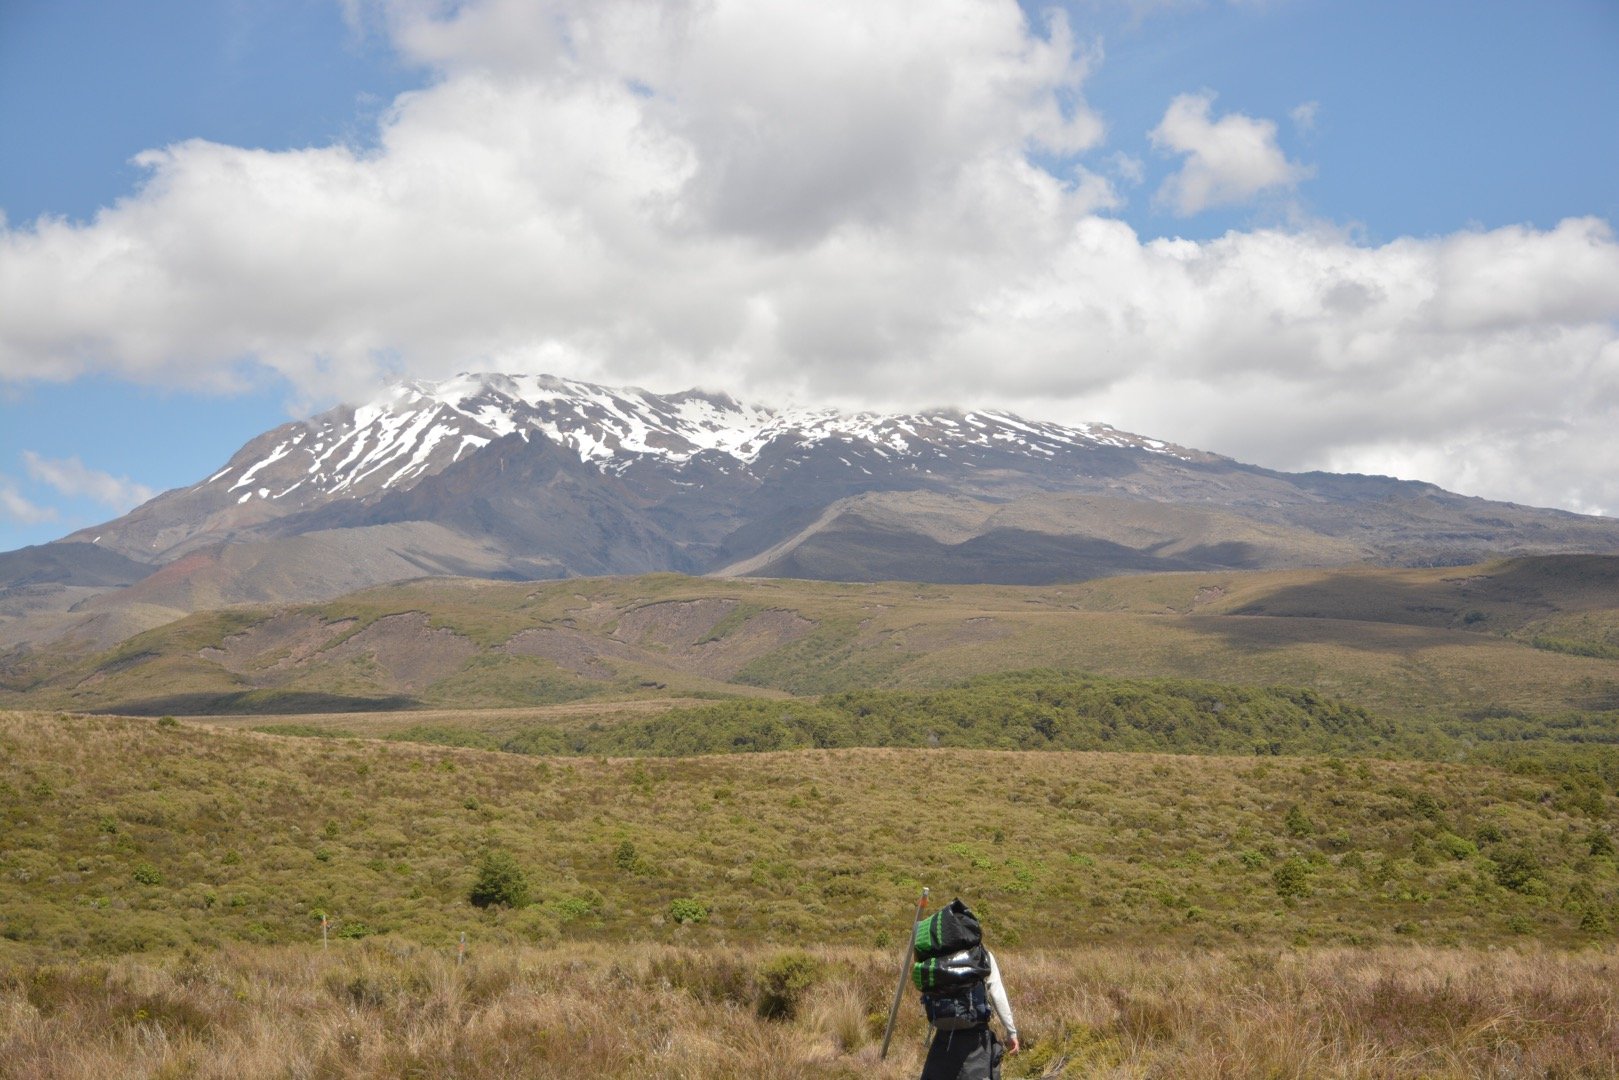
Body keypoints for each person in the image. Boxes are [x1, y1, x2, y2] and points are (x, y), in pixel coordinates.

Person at [918, 943, 1019, 1080]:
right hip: (976, 1038)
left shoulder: (938, 956)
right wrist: (1011, 1031)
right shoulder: (982, 956)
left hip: (944, 1035)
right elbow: (997, 994)